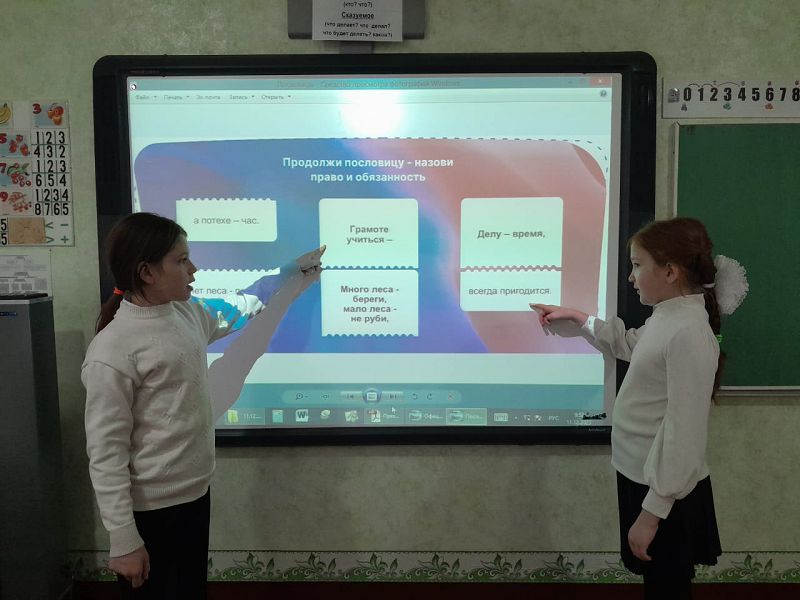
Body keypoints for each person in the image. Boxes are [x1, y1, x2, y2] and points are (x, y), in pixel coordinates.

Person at [82, 212, 322, 598]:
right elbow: (106, 454)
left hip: (193, 496)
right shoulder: (112, 350)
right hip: (150, 513)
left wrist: (287, 273)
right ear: (146, 272)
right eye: (181, 260)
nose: (193, 269)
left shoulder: (188, 313)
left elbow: (241, 305)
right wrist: (124, 539)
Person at [532, 217, 747, 599]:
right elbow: (631, 345)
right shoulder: (669, 317)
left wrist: (652, 513)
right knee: (660, 583)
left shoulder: (687, 331)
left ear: (670, 271)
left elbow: (684, 434)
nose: (631, 277)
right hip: (645, 477)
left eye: (637, 265)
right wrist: (581, 320)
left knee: (667, 586)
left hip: (663, 490)